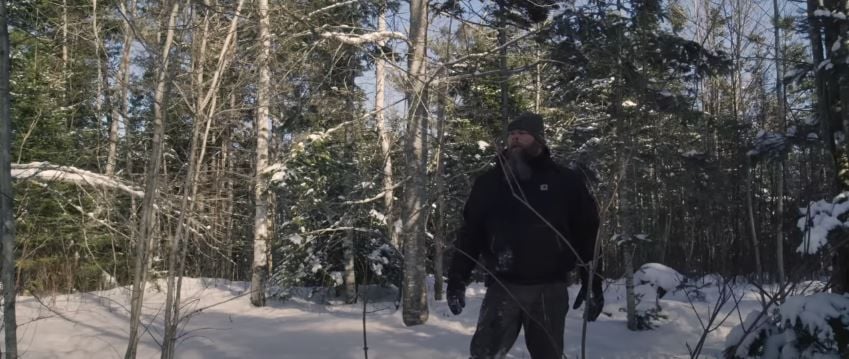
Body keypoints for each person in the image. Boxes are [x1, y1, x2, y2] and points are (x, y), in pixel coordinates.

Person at [446, 112, 603, 359]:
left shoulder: (565, 181)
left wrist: (593, 280)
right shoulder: (490, 182)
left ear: (539, 139)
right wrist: (457, 278)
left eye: (523, 134)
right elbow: (470, 233)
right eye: (512, 134)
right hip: (503, 286)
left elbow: (587, 231)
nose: (516, 138)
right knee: (484, 354)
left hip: (549, 288)